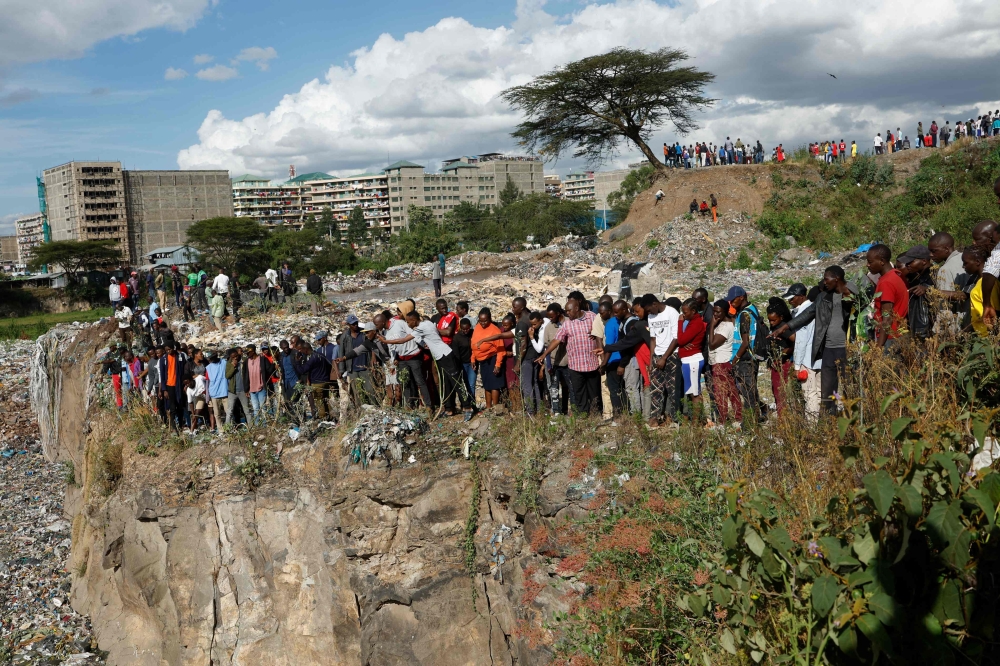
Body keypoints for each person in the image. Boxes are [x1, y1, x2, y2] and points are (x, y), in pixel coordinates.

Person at [773, 268, 857, 415]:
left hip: (846, 347)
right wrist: (785, 327)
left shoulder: (852, 291)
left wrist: (850, 296)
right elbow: (808, 314)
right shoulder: (823, 297)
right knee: (827, 390)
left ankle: (853, 419)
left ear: (836, 278)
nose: (824, 283)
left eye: (826, 279)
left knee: (849, 386)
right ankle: (828, 422)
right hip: (828, 348)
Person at [381, 310, 473, 420]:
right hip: (440, 356)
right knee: (446, 383)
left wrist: (386, 341)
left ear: (414, 321)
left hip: (445, 355)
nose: (408, 324)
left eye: (408, 322)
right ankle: (449, 409)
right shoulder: (428, 323)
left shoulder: (421, 328)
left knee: (456, 381)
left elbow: (404, 340)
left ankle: (467, 408)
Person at [540, 300, 600, 415]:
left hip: (592, 363)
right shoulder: (567, 324)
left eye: (569, 310)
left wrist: (595, 332)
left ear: (576, 308)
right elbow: (556, 340)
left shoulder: (592, 316)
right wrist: (545, 354)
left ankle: (595, 414)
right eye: (566, 310)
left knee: (594, 392)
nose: (567, 313)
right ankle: (583, 416)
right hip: (576, 366)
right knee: (579, 393)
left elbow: (601, 330)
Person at [727, 286, 764, 426]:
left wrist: (734, 360)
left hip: (744, 359)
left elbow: (745, 342)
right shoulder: (752, 309)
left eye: (733, 299)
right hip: (752, 358)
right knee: (752, 390)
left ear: (741, 297)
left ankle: (749, 424)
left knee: (747, 392)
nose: (731, 302)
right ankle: (755, 419)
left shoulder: (744, 315)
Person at [784, 284, 822, 419]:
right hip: (820, 358)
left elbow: (800, 342)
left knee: (809, 394)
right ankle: (823, 424)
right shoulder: (815, 308)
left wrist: (797, 365)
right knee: (820, 392)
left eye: (792, 298)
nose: (790, 302)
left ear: (801, 297)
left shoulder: (803, 313)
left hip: (806, 359)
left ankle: (812, 426)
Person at [385, 302, 432, 410]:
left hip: (413, 356)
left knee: (419, 381)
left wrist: (424, 345)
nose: (397, 314)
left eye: (400, 311)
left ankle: (428, 406)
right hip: (402, 359)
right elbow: (394, 347)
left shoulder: (405, 323)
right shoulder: (400, 322)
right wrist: (395, 359)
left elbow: (414, 336)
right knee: (406, 382)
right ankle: (410, 406)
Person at [646, 295, 679, 428]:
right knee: (655, 389)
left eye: (649, 309)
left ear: (655, 304)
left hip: (671, 356)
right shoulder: (651, 317)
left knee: (672, 388)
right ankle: (654, 418)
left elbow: (676, 338)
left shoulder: (671, 313)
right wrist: (651, 361)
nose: (649, 313)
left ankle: (673, 418)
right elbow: (653, 340)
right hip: (657, 356)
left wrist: (665, 358)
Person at [867, 244, 908, 349]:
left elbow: (887, 318)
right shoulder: (896, 275)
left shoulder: (886, 282)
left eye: (870, 262)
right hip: (899, 334)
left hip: (890, 338)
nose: (867, 265)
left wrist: (878, 347)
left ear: (881, 261)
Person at [708, 299, 739, 425]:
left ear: (725, 312)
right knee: (731, 391)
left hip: (721, 362)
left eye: (718, 312)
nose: (715, 315)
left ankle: (723, 421)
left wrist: (711, 326)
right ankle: (737, 418)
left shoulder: (725, 327)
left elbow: (712, 344)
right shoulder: (723, 324)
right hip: (721, 362)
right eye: (714, 312)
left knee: (722, 393)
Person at [765, 298, 795, 416]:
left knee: (780, 391)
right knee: (776, 390)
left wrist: (785, 352)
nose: (771, 323)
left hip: (784, 363)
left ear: (781, 317)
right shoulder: (775, 327)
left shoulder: (783, 328)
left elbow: (796, 341)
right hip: (776, 364)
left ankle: (784, 417)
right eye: (770, 320)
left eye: (773, 320)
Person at [472, 308, 506, 409]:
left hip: (492, 359)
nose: (482, 323)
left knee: (494, 384)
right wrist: (473, 358)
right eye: (480, 321)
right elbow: (473, 344)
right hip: (482, 361)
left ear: (490, 318)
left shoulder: (495, 330)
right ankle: (488, 408)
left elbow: (501, 349)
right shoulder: (477, 327)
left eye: (485, 321)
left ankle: (495, 408)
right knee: (486, 384)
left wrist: (498, 364)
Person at [963, 246, 997, 336]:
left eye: (965, 263)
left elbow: (983, 319)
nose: (963, 266)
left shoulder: (981, 287)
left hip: (987, 338)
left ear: (977, 262)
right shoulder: (994, 281)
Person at [224, 347, 252, 425]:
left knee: (246, 410)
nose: (235, 358)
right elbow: (227, 376)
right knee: (229, 411)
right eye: (233, 357)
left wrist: (247, 389)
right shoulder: (229, 364)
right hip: (232, 391)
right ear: (230, 357)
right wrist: (233, 367)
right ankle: (227, 427)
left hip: (243, 390)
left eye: (236, 355)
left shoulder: (243, 362)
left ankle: (251, 426)